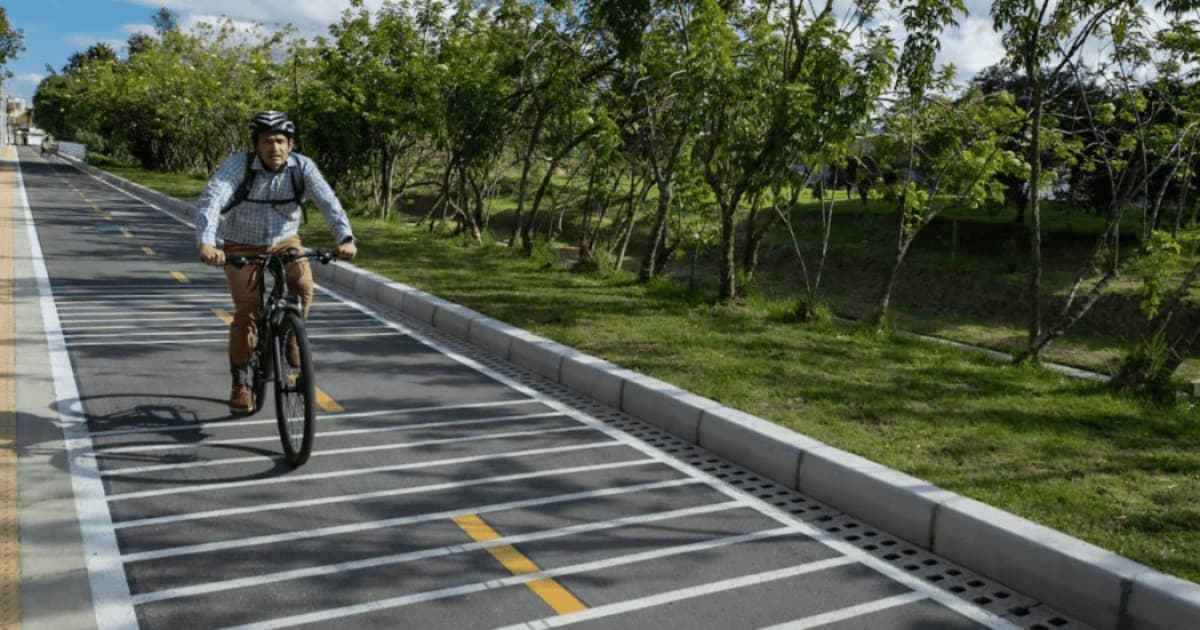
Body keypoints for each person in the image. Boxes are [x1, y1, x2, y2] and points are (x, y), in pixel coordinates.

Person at [195, 110, 357, 414]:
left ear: (291, 144)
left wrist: (346, 238)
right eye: (267, 141)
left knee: (304, 286)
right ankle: (241, 383)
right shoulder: (238, 166)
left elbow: (328, 201)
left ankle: (291, 335)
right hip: (241, 243)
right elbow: (212, 198)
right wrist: (207, 241)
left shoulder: (302, 167)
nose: (275, 148)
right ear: (256, 144)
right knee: (248, 313)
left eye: (281, 141)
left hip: (285, 241)